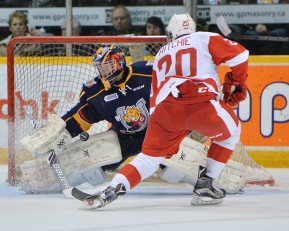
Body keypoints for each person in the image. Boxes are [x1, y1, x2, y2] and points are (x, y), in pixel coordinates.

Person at [20, 44, 247, 195]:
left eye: (107, 65)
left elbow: (182, 87)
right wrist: (58, 136)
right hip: (124, 138)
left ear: (119, 61)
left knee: (183, 163)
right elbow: (80, 118)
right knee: (92, 160)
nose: (103, 71)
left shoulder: (147, 71)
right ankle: (38, 178)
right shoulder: (97, 91)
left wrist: (195, 122)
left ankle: (222, 178)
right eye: (100, 68)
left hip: (163, 133)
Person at [78, 13, 248, 210]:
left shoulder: (161, 54)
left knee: (148, 159)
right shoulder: (203, 37)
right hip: (200, 101)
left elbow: (155, 99)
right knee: (232, 132)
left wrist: (166, 136)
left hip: (165, 111)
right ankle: (206, 183)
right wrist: (237, 83)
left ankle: (112, 189)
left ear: (170, 34)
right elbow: (241, 56)